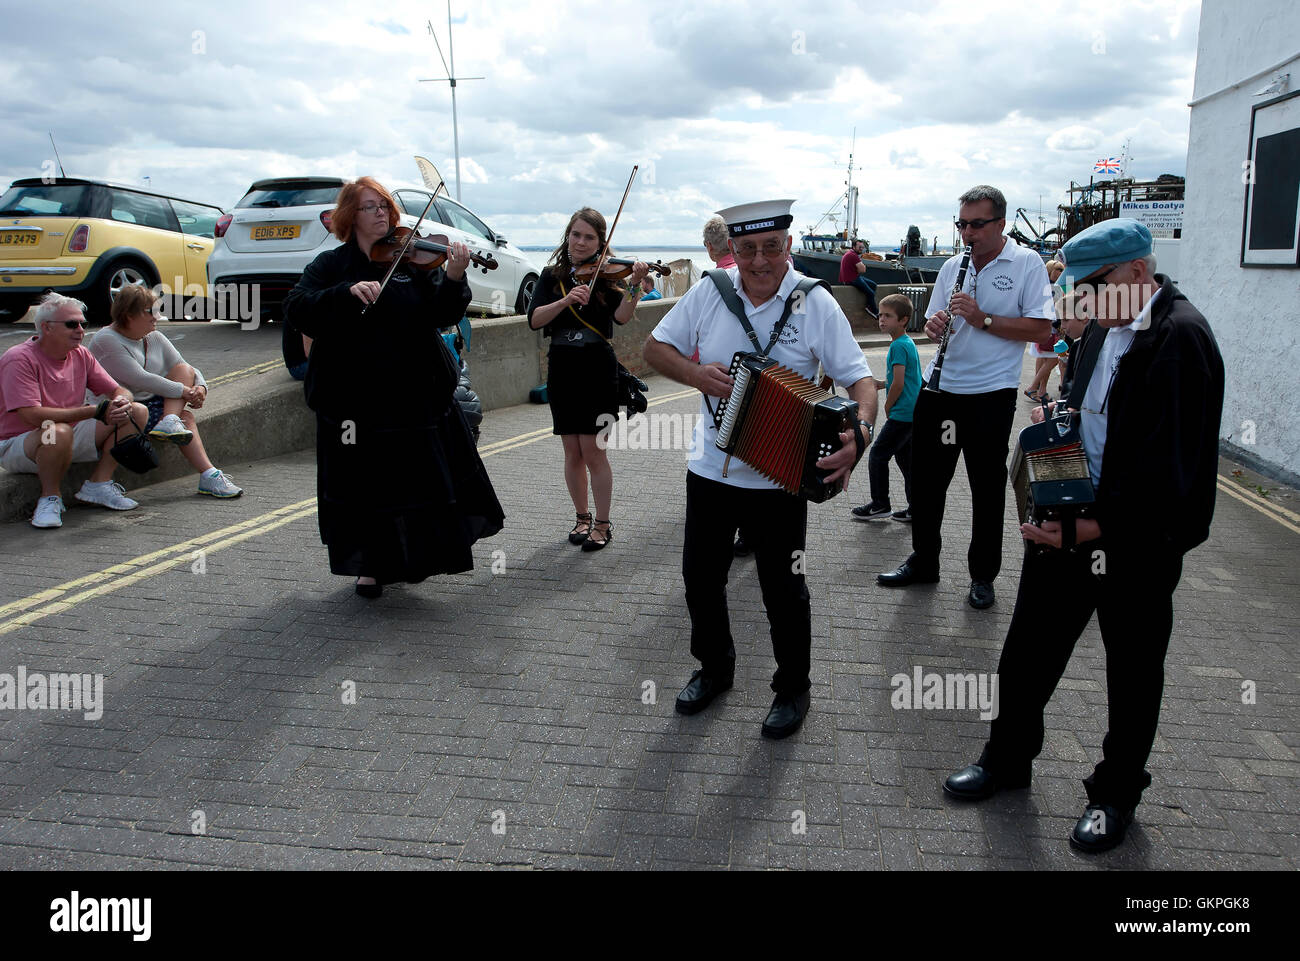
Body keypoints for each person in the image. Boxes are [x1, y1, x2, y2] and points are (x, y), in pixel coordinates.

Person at [943, 219, 1225, 853]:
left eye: (1095, 286)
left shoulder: (1180, 338)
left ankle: (1116, 793)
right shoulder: (1104, 324)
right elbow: (1089, 406)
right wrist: (1055, 438)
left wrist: (1104, 524)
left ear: (1136, 272)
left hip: (1136, 541)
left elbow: (1173, 465)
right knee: (1026, 653)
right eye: (1079, 287)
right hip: (1070, 518)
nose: (1085, 300)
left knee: (1132, 671)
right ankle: (1006, 760)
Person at [644, 199, 877, 740]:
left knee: (784, 587)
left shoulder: (814, 303)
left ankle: (793, 688)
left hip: (780, 479)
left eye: (771, 247)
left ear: (788, 247)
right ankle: (715, 669)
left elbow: (862, 385)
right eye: (747, 249)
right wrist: (696, 374)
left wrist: (859, 436)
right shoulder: (710, 292)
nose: (759, 261)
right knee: (700, 578)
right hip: (711, 470)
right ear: (734, 251)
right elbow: (655, 349)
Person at [282, 176, 504, 598]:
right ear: (351, 216)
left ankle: (413, 558)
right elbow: (297, 309)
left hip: (411, 394)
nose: (382, 213)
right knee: (362, 483)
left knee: (412, 481)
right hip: (354, 398)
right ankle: (370, 565)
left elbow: (441, 315)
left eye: (384, 205)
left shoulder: (411, 261)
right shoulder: (331, 265)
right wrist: (345, 294)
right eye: (370, 207)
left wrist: (455, 277)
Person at [877, 185, 1055, 610]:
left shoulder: (1027, 263)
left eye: (977, 224)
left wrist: (984, 318)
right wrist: (934, 326)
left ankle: (982, 575)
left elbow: (1044, 331)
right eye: (962, 224)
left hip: (989, 396)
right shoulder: (953, 266)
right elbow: (932, 325)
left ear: (1000, 223)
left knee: (986, 488)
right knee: (927, 482)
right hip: (942, 391)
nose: (967, 233)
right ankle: (924, 561)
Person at [527, 208, 648, 552]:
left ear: (600, 243)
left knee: (594, 451)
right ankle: (582, 517)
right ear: (568, 235)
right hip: (563, 367)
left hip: (597, 368)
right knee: (571, 452)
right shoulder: (551, 277)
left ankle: (604, 523)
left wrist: (635, 285)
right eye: (576, 234)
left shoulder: (610, 278)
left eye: (589, 237)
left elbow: (622, 318)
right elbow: (534, 320)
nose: (580, 242)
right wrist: (565, 301)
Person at [0, 293, 147, 527]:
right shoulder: (18, 359)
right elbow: (31, 416)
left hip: (68, 433)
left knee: (136, 412)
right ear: (46, 328)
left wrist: (121, 402)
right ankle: (50, 498)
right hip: (21, 444)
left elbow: (119, 390)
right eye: (71, 324)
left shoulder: (81, 354)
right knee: (56, 431)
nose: (80, 330)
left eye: (82, 323)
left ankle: (98, 484)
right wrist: (95, 411)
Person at [89, 285, 242, 498]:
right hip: (120, 413)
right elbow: (141, 379)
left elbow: (184, 365)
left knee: (184, 371)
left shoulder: (152, 336)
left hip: (149, 404)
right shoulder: (105, 340)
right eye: (150, 312)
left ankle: (175, 427)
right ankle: (207, 472)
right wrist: (186, 392)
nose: (157, 317)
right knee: (186, 417)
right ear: (128, 315)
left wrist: (201, 387)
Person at [852, 293, 919, 522]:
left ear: (903, 320)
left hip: (901, 413)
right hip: (912, 412)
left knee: (878, 455)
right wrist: (881, 384)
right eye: (880, 315)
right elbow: (904, 378)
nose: (882, 320)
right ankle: (915, 509)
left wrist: (888, 405)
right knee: (906, 461)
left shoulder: (898, 347)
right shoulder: (906, 342)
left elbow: (899, 383)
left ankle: (880, 503)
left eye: (888, 316)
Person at [1024, 260, 1065, 402]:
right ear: (1050, 270)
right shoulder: (1053, 287)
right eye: (1058, 269)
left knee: (1044, 358)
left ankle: (1041, 390)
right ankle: (1034, 387)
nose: (1060, 272)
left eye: (1061, 269)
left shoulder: (1047, 286)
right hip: (1052, 329)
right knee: (1054, 358)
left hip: (1047, 329)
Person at [839, 239, 880, 317]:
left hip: (853, 277)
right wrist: (861, 266)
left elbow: (860, 269)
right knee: (871, 293)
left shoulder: (850, 253)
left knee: (873, 285)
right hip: (851, 279)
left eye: (862, 247)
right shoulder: (853, 255)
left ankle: (869, 305)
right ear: (854, 247)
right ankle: (874, 311)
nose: (861, 249)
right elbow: (863, 270)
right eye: (859, 247)